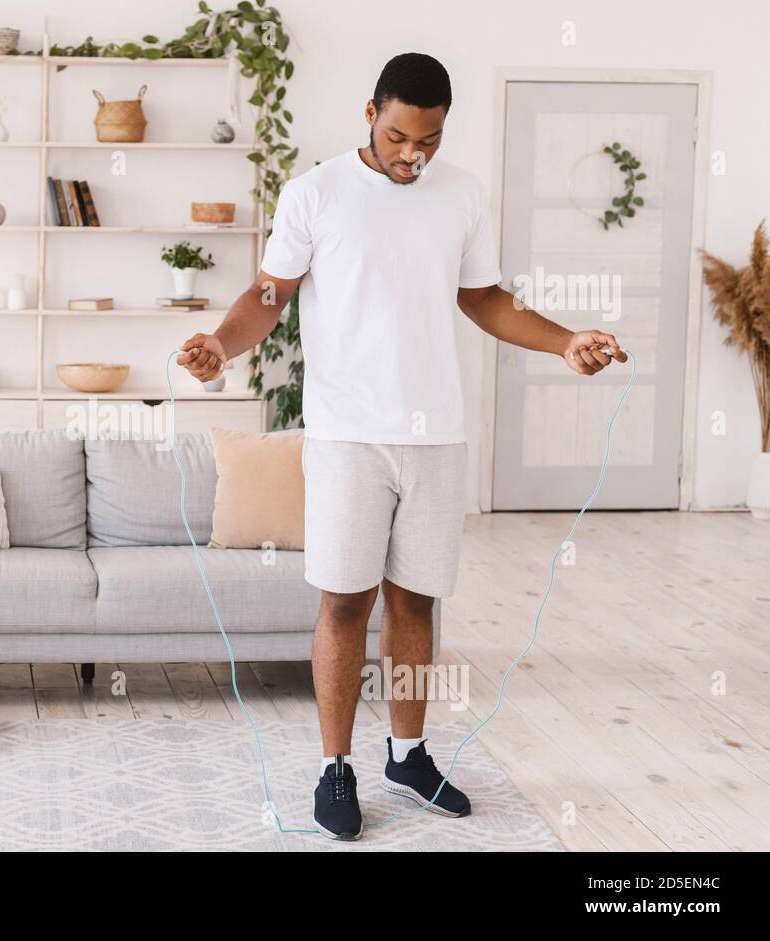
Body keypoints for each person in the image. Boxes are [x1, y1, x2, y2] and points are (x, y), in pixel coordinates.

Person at [178, 52, 626, 841]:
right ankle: (336, 768)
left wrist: (563, 343)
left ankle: (410, 752)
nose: (410, 155)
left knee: (416, 600)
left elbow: (482, 297)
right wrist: (221, 342)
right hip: (350, 434)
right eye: (395, 138)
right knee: (346, 602)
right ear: (368, 114)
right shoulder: (315, 193)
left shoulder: (460, 194)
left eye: (427, 140)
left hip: (435, 435)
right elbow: (268, 295)